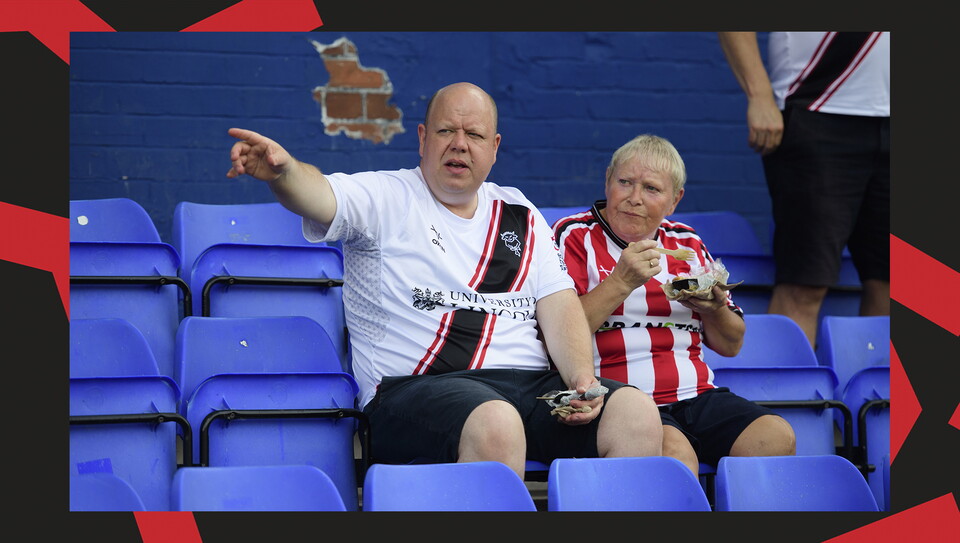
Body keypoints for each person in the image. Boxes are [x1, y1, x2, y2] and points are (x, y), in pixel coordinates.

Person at [225, 82, 663, 479]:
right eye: (445, 132)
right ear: (421, 138)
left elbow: (559, 304)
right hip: (410, 393)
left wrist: (583, 381)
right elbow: (319, 195)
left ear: (494, 147)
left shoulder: (519, 212)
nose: (459, 144)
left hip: (525, 387)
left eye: (473, 136)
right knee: (497, 421)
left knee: (635, 412)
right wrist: (284, 173)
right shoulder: (387, 196)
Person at [552, 134, 795, 477]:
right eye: (624, 182)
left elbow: (732, 343)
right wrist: (620, 282)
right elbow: (556, 336)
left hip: (696, 394)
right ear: (608, 180)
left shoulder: (687, 242)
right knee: (676, 457)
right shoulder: (572, 235)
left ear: (674, 200)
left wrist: (713, 308)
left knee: (775, 437)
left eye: (651, 189)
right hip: (622, 399)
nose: (634, 198)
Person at [717, 31, 890, 347]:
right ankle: (782, 396)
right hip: (817, 108)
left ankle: (887, 397)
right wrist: (759, 95)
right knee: (805, 283)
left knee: (898, 286)